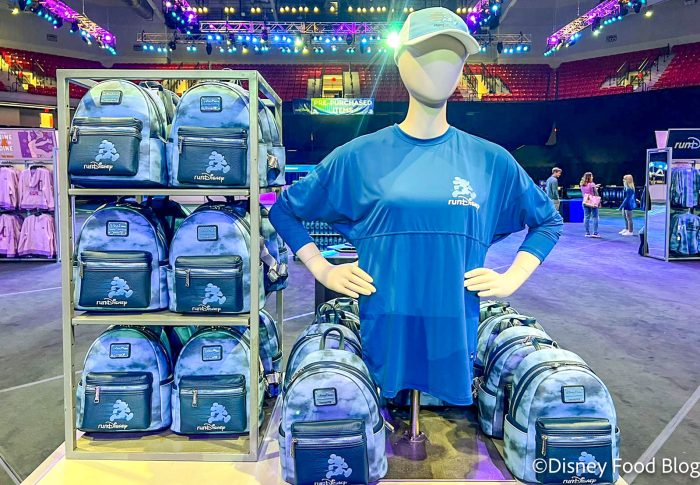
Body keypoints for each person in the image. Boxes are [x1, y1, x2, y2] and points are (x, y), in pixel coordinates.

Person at [269, 7, 564, 408]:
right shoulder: (359, 156)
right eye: (426, 53)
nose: (441, 66)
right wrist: (322, 269)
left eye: (453, 55)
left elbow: (547, 222)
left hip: (453, 333)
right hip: (386, 330)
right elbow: (284, 210)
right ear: (401, 60)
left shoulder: (490, 161)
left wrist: (513, 277)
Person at [581, 171, 601, 238]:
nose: (593, 177)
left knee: (586, 217)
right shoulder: (592, 184)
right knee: (595, 217)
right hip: (593, 202)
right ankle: (595, 233)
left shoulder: (582, 184)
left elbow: (586, 192)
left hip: (585, 202)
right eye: (592, 176)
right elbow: (596, 194)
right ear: (590, 177)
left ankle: (587, 233)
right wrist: (599, 202)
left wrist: (595, 186)